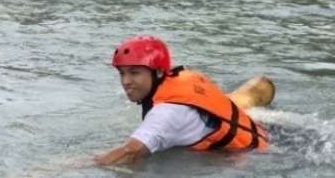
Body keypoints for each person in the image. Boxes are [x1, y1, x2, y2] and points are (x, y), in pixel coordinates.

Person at [94, 35, 274, 166]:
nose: (125, 82)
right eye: (122, 73)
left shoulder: (167, 113)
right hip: (261, 132)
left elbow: (129, 152)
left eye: (134, 73)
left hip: (255, 155)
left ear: (157, 72)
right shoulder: (182, 77)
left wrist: (75, 166)